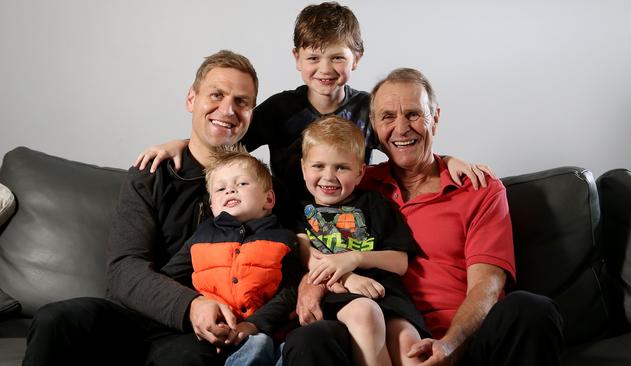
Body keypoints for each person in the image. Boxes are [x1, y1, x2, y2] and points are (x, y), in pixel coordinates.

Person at [282, 68, 564, 366]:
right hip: (380, 333)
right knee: (308, 339)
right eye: (388, 117)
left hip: (465, 341)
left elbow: (488, 285)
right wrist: (312, 282)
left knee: (531, 308)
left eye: (414, 114)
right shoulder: (357, 185)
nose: (402, 128)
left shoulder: (478, 188)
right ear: (375, 127)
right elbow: (300, 227)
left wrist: (450, 345)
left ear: (436, 119)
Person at [22, 50, 262, 366]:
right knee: (56, 320)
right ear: (191, 99)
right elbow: (124, 268)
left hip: (192, 334)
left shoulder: (258, 189)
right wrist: (191, 304)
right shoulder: (151, 173)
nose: (228, 109)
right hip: (131, 315)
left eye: (242, 102)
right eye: (216, 94)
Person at [135, 2, 491, 200]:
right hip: (289, 223)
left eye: (337, 57)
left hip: (351, 224)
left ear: (357, 58)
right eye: (313, 58)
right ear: (296, 58)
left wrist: (447, 162)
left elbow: (406, 147)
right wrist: (181, 143)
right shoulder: (278, 110)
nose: (325, 69)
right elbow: (225, 141)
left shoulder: (369, 109)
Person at [295, 116, 429, 365]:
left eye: (341, 167)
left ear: (360, 172)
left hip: (387, 295)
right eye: (319, 166)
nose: (329, 176)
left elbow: (400, 262)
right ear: (303, 168)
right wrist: (348, 277)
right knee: (366, 313)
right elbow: (308, 256)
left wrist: (354, 258)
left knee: (409, 345)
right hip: (340, 295)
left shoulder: (375, 204)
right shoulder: (299, 212)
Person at [160, 145, 301, 366]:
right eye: (220, 189)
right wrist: (197, 310)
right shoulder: (202, 236)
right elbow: (167, 279)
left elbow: (291, 291)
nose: (230, 191)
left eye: (242, 183)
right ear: (212, 205)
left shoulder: (283, 238)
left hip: (264, 331)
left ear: (269, 199)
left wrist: (254, 325)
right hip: (212, 333)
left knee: (266, 345)